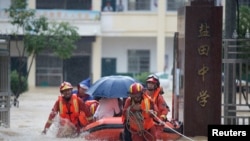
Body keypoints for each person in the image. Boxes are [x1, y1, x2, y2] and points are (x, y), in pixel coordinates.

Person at [145, 74, 170, 140]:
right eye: (149, 83)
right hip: (146, 121)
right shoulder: (143, 96)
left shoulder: (159, 98)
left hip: (157, 123)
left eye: (152, 83)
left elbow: (164, 110)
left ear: (156, 85)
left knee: (156, 136)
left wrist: (161, 120)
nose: (150, 85)